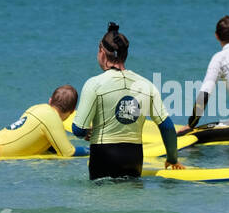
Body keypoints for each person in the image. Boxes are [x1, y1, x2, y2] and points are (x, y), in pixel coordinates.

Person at [71, 22, 183, 180]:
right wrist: (172, 159)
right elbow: (167, 127)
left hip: (103, 158)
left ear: (102, 52)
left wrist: (89, 131)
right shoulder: (146, 85)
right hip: (134, 159)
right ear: (126, 54)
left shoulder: (94, 84)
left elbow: (78, 129)